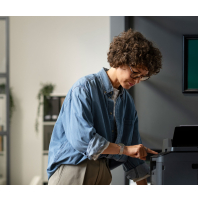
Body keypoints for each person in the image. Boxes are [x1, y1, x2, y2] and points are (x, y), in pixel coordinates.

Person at [47, 29, 162, 185]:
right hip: (74, 170)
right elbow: (83, 140)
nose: (137, 80)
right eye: (135, 73)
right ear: (121, 60)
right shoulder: (84, 88)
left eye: (142, 76)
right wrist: (125, 150)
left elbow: (133, 152)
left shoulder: (127, 102)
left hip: (103, 173)